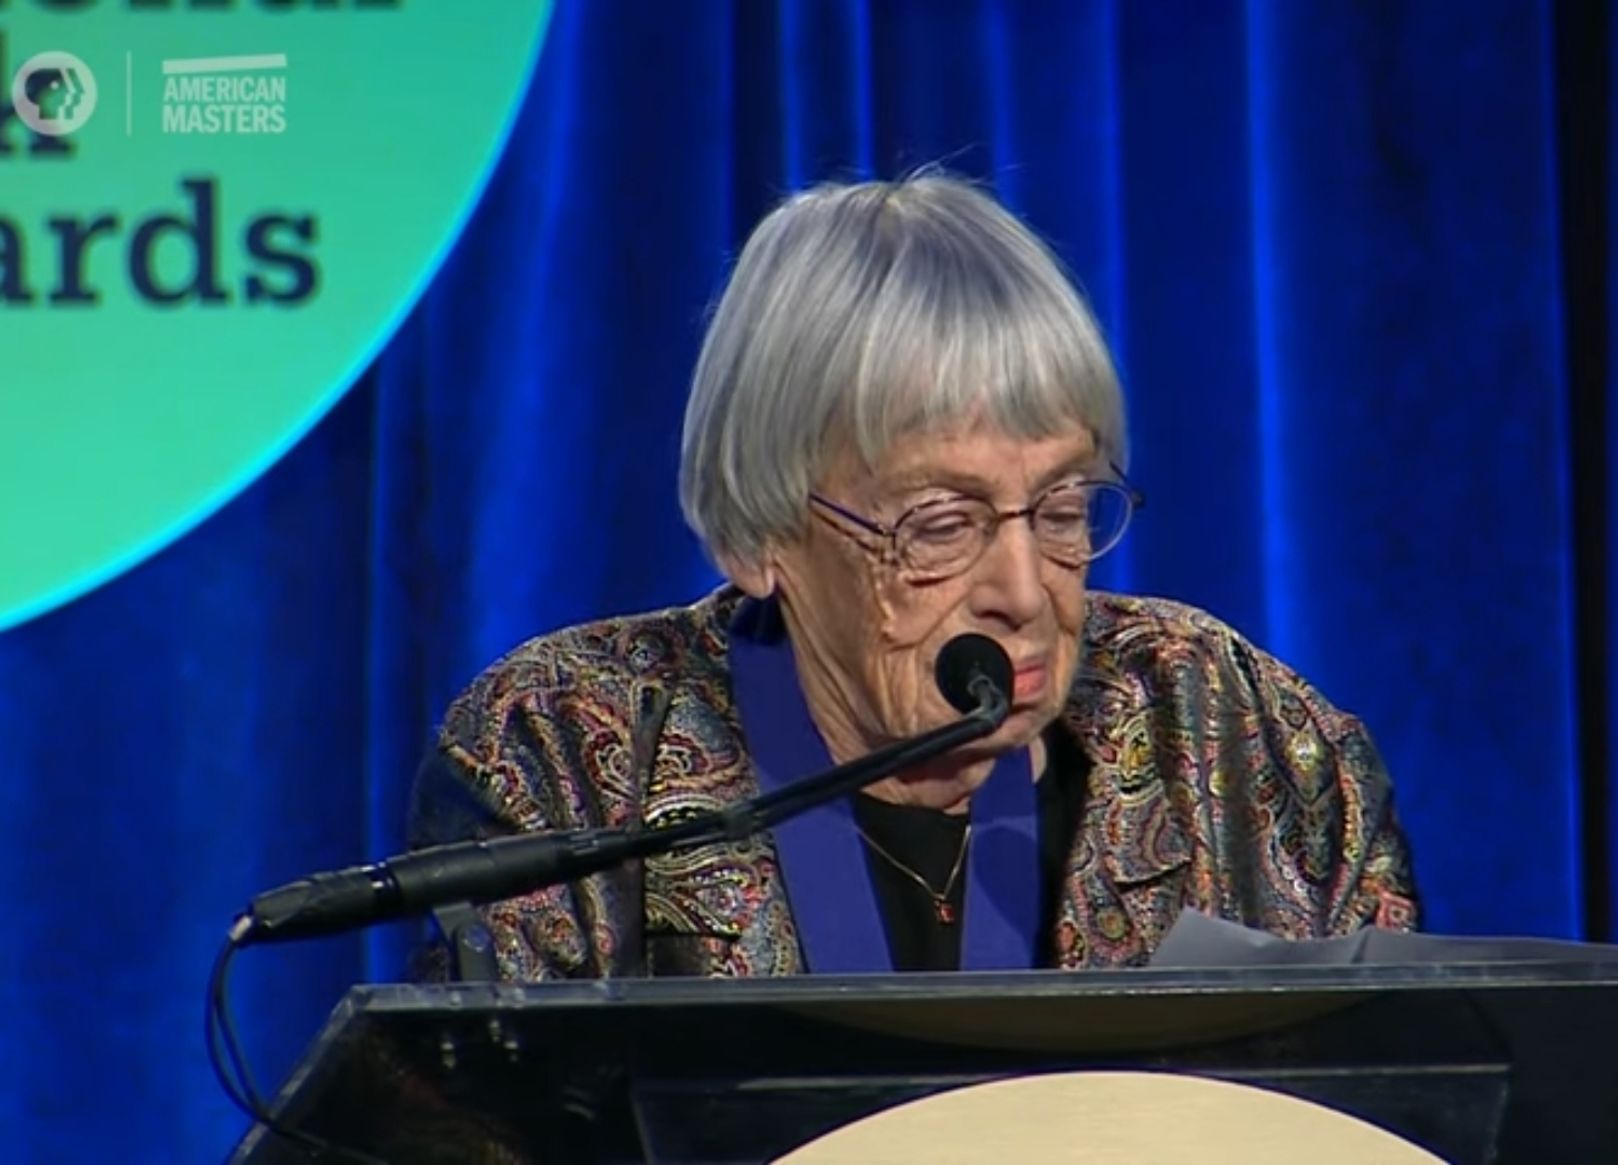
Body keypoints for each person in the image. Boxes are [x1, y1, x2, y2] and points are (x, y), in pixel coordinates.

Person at [409, 171, 1420, 982]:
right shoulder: (567, 758)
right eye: (940, 524)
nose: (1023, 593)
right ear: (762, 534)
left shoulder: (1240, 737)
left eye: (1063, 510)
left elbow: (1403, 1105)